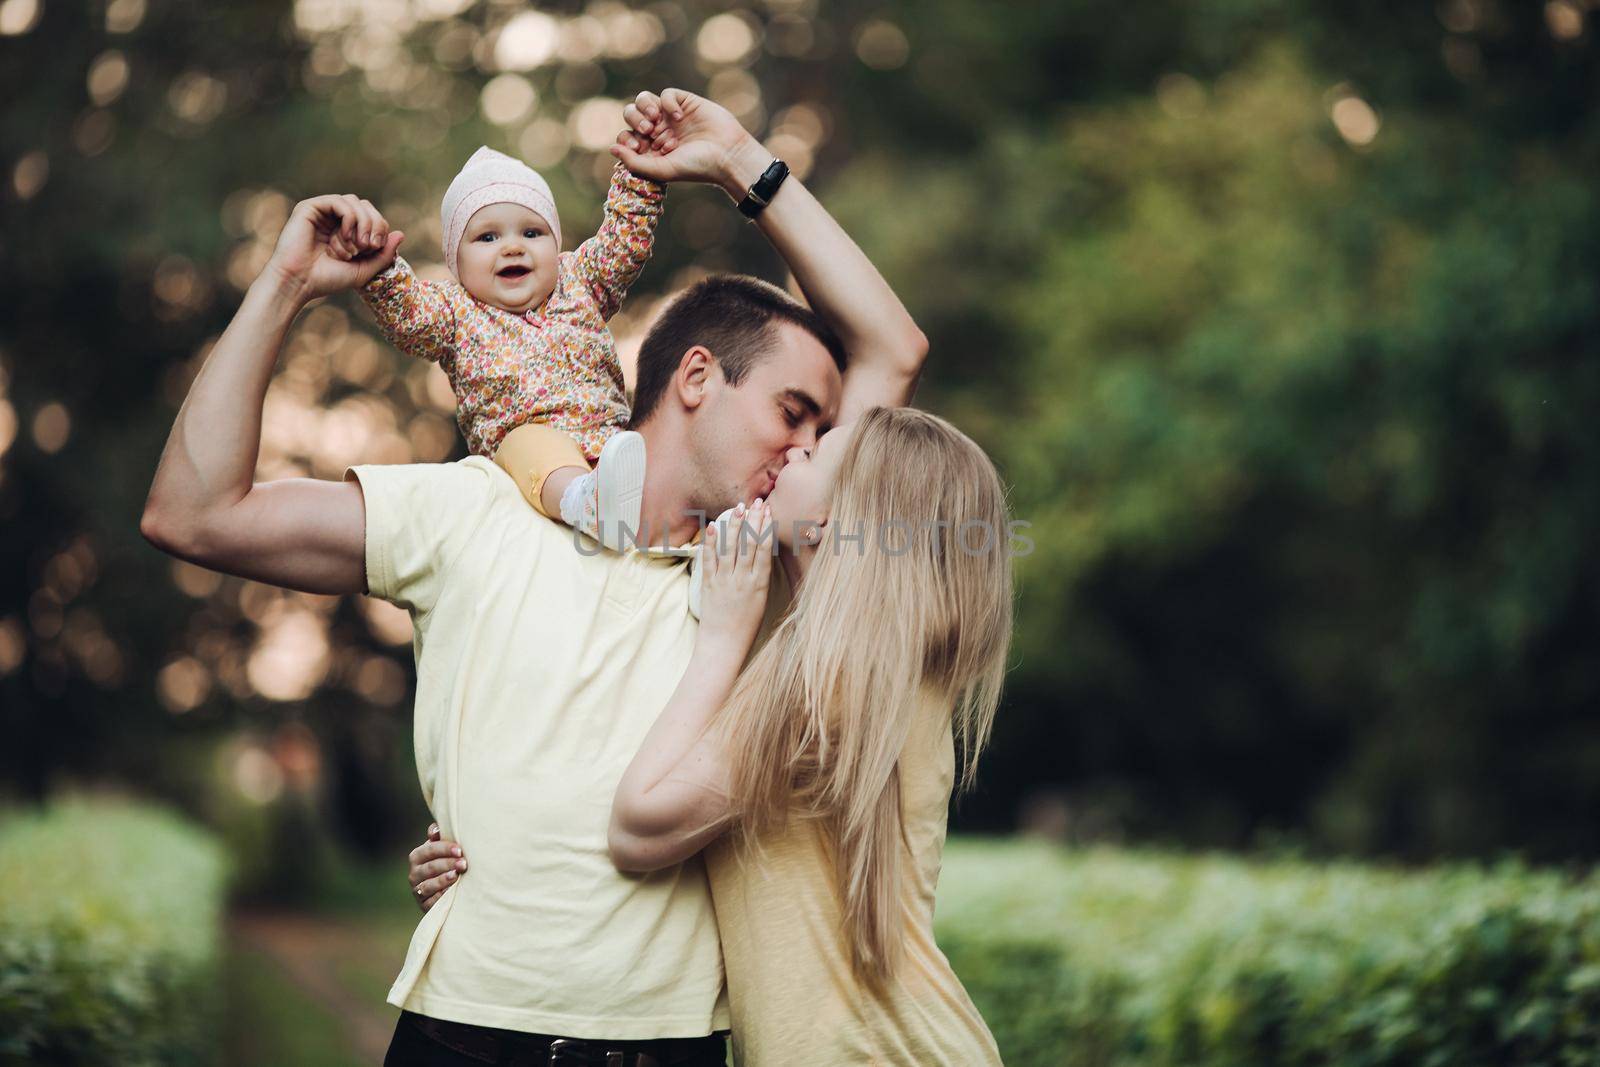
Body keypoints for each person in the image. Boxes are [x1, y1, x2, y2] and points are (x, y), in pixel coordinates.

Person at [140, 88, 927, 1066]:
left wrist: (736, 161)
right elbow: (193, 512)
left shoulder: (765, 560)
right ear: (693, 378)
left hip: (665, 1043)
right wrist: (288, 284)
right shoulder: (472, 506)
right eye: (795, 411)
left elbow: (894, 347)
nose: (814, 447)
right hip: (461, 1029)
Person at [417, 405, 1015, 1065]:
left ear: (834, 522)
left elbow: (638, 826)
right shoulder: (885, 661)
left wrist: (723, 634)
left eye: (814, 457)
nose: (792, 453)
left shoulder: (829, 674)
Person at [354, 142, 660, 551]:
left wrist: (641, 174)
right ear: (456, 262)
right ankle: (584, 501)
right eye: (487, 237)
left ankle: (702, 545)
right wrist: (380, 272)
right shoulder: (455, 312)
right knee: (528, 441)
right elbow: (409, 317)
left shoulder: (579, 281)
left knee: (663, 453)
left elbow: (624, 240)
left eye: (532, 233)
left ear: (556, 245)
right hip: (526, 472)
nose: (513, 246)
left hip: (612, 452)